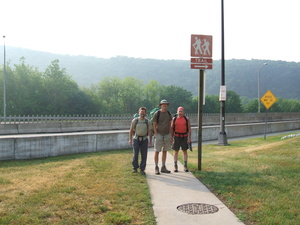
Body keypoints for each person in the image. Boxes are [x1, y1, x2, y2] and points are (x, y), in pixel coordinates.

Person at [129, 107, 153, 175]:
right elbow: (131, 130)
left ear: (145, 113)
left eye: (144, 112)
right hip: (136, 139)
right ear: (139, 112)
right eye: (141, 112)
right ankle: (135, 168)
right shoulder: (135, 121)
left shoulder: (147, 121)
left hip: (144, 139)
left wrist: (150, 141)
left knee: (144, 155)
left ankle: (142, 169)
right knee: (135, 154)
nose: (142, 113)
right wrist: (130, 139)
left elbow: (150, 131)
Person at [153, 99, 173, 175]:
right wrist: (156, 134)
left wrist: (171, 135)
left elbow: (170, 124)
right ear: (160, 105)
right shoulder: (157, 113)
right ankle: (156, 167)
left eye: (166, 104)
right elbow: (154, 125)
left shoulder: (168, 113)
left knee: (165, 151)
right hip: (159, 134)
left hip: (167, 134)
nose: (164, 105)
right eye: (163, 104)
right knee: (157, 151)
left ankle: (163, 166)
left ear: (167, 106)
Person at [171, 106, 191, 172]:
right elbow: (171, 129)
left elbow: (189, 129)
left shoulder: (186, 119)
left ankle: (185, 165)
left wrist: (189, 138)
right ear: (177, 112)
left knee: (184, 151)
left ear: (183, 112)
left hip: (184, 137)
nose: (180, 112)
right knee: (175, 151)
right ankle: (175, 166)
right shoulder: (174, 119)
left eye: (181, 111)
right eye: (179, 111)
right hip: (176, 136)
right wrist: (172, 138)